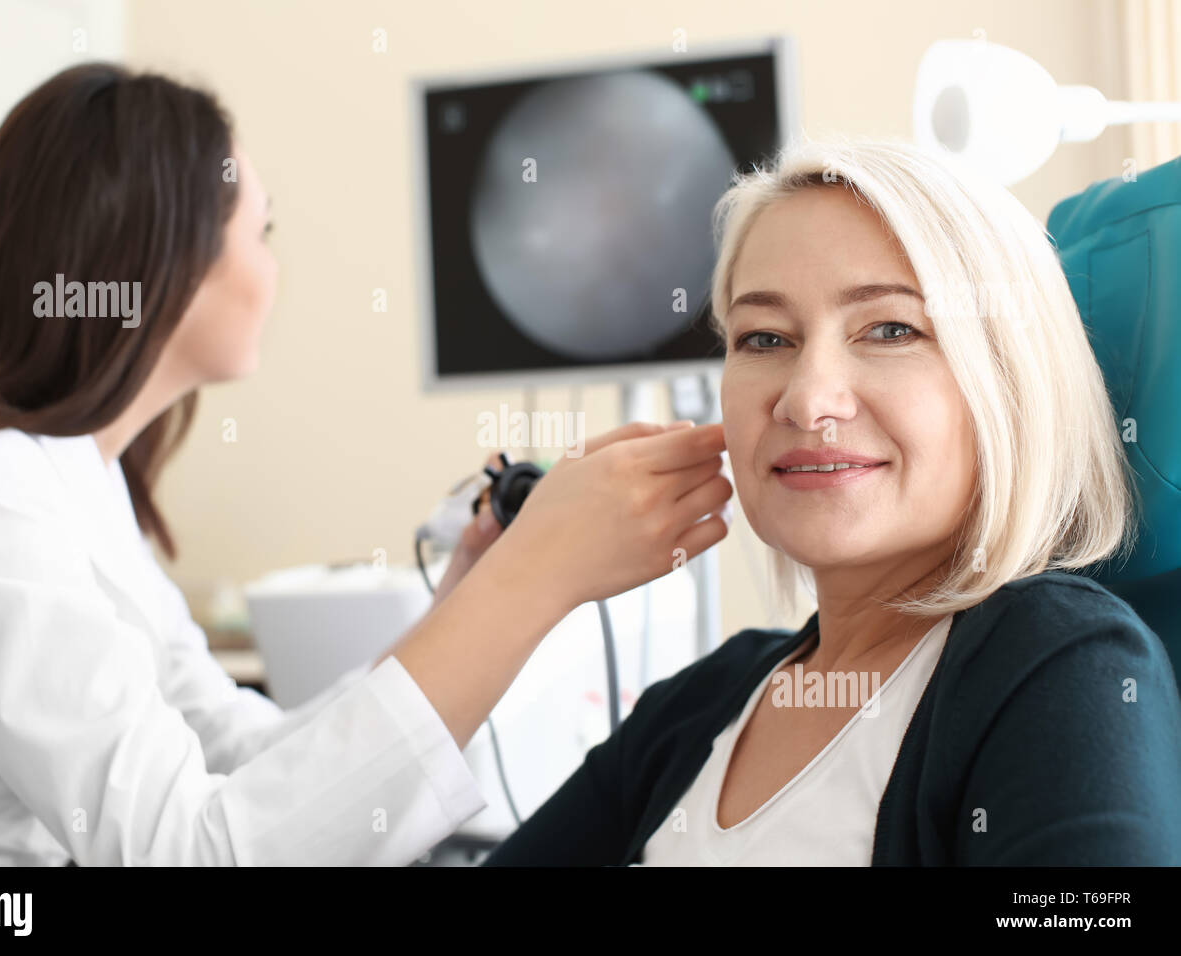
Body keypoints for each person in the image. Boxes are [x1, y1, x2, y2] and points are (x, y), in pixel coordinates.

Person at [0, 63, 733, 865]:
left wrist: (465, 614)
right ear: (167, 268)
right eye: (264, 230)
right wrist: (537, 580)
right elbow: (191, 852)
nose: (273, 267)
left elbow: (242, 754)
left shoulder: (73, 479)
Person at [483, 137, 1181, 866]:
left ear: (1010, 385)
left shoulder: (1060, 665)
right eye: (765, 337)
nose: (807, 398)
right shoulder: (693, 710)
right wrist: (521, 579)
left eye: (890, 329)